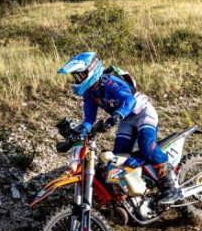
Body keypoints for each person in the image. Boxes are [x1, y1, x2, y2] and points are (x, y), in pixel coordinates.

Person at [58, 51, 182, 205]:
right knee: (119, 158)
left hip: (142, 113)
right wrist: (77, 133)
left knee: (146, 145)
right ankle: (138, 188)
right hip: (126, 120)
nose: (77, 80)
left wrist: (116, 116)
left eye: (79, 76)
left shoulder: (109, 81)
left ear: (91, 69)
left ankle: (172, 187)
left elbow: (129, 100)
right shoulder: (89, 93)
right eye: (75, 77)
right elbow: (89, 119)